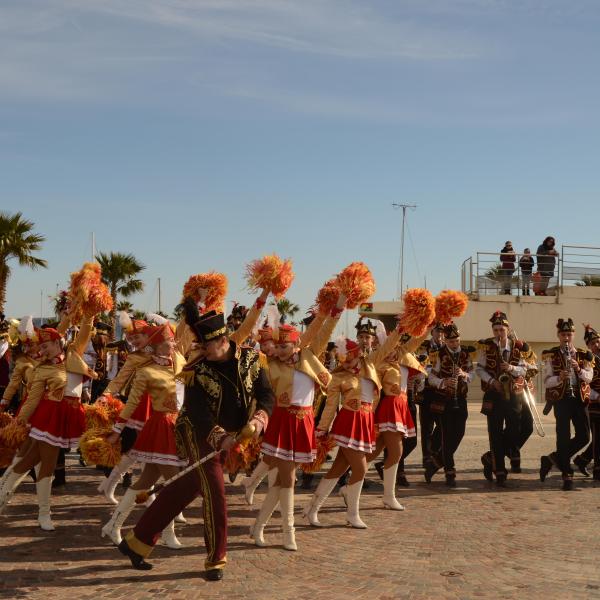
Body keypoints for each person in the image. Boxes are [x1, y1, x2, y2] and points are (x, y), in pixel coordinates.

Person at [117, 305, 274, 581]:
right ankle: (216, 559)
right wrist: (220, 437)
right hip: (195, 432)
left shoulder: (253, 359)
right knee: (215, 493)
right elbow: (197, 413)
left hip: (233, 433)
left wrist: (260, 419)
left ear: (222, 340)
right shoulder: (196, 370)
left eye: (206, 345)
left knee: (185, 487)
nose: (201, 350)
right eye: (199, 345)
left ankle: (136, 542)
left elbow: (266, 395)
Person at [251, 296, 343, 551]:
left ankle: (258, 526)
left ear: (296, 343)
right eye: (276, 347)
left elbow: (322, 330)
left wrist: (338, 306)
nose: (278, 351)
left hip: (303, 422)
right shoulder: (271, 367)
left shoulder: (309, 356)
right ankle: (287, 532)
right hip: (282, 422)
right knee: (288, 479)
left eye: (284, 346)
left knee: (282, 481)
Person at [0, 313, 97, 530]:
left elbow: (84, 332)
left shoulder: (74, 353)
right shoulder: (42, 368)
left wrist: (88, 313)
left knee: (29, 462)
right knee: (45, 464)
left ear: (57, 342)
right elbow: (33, 398)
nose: (42, 351)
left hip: (69, 415)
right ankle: (44, 514)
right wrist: (20, 421)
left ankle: (5, 497)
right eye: (40, 347)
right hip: (49, 417)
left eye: (46, 346)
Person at [101, 323, 186, 548]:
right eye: (170, 342)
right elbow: (131, 404)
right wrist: (117, 431)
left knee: (145, 482)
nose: (174, 344)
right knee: (174, 484)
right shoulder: (147, 371)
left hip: (176, 427)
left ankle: (113, 525)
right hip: (160, 428)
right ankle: (166, 533)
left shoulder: (180, 363)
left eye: (173, 341)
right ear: (157, 346)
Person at [476, 311, 528, 486]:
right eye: (496, 329)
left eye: (502, 330)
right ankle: (499, 471)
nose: (499, 333)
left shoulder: (518, 347)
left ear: (508, 329)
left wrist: (511, 368)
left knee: (515, 429)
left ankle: (490, 457)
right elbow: (479, 369)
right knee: (495, 433)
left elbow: (526, 369)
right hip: (494, 394)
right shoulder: (486, 346)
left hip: (513, 394)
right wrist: (491, 381)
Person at [539, 319, 592, 490]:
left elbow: (588, 378)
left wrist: (578, 369)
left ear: (573, 335)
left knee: (584, 436)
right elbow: (547, 381)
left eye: (569, 334)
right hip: (561, 399)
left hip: (579, 398)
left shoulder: (584, 355)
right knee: (562, 436)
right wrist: (559, 377)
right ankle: (566, 473)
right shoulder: (551, 354)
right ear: (558, 336)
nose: (566, 338)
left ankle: (552, 459)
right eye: (563, 335)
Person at [425, 323, 474, 486]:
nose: (455, 344)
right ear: (445, 340)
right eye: (452, 341)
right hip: (444, 400)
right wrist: (443, 382)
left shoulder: (466, 354)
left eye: (457, 341)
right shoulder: (438, 355)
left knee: (459, 433)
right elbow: (431, 378)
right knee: (446, 435)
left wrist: (464, 374)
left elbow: (472, 374)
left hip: (461, 399)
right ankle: (449, 472)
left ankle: (435, 462)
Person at [573, 324, 600, 481]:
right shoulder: (587, 361)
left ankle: (581, 460)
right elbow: (585, 384)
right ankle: (597, 470)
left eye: (597, 341)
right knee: (597, 439)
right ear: (587, 346)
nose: (595, 345)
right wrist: (596, 396)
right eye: (592, 343)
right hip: (595, 404)